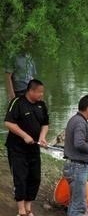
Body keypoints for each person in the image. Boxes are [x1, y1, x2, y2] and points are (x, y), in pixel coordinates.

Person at [4, 79, 49, 216]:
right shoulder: (17, 102)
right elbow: (8, 123)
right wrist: (24, 135)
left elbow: (45, 124)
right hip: (17, 149)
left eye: (42, 92)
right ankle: (21, 210)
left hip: (34, 148)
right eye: (39, 92)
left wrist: (42, 137)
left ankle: (28, 207)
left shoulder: (41, 105)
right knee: (20, 178)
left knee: (35, 178)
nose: (41, 95)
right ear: (31, 91)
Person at [63, 95, 88, 216]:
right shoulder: (80, 122)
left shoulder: (75, 119)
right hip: (77, 167)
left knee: (74, 202)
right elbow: (79, 143)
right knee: (80, 206)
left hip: (72, 166)